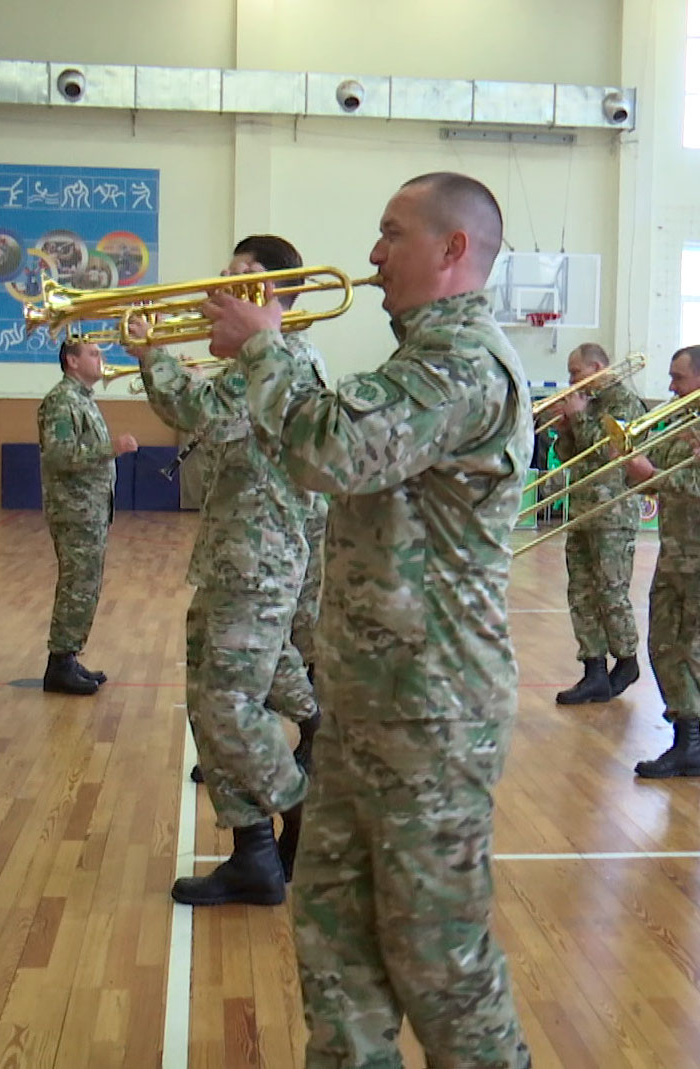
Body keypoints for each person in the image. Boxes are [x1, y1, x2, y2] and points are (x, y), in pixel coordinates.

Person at [201, 172, 531, 1067]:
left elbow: (332, 450)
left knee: (439, 960)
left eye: (392, 233)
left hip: (432, 710)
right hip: (373, 700)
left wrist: (267, 348)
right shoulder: (414, 360)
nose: (374, 253)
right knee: (336, 942)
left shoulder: (460, 363)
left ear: (453, 249)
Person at [135, 234, 328, 908]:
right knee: (208, 704)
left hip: (260, 558)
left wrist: (150, 354)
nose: (225, 278)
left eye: (246, 273)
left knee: (229, 706)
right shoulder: (248, 362)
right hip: (230, 553)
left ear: (282, 291)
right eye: (228, 268)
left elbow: (207, 419)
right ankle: (251, 852)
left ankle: (305, 814)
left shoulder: (287, 358)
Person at [624, 346, 700, 778]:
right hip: (676, 551)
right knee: (663, 645)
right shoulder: (679, 425)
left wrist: (651, 475)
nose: (672, 387)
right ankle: (687, 737)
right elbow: (654, 482)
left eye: (679, 378)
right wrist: (631, 467)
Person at [547, 342, 646, 704]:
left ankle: (626, 659)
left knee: (611, 592)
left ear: (598, 366)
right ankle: (593, 668)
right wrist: (566, 428)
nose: (571, 380)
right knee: (581, 592)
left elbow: (608, 454)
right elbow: (570, 457)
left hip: (614, 514)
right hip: (584, 510)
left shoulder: (624, 404)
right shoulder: (587, 404)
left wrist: (580, 418)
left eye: (576, 372)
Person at [37, 338, 137, 694]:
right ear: (72, 361)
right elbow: (59, 455)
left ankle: (68, 656)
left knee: (86, 586)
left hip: (90, 510)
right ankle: (59, 663)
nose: (101, 359)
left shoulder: (82, 400)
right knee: (76, 586)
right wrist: (111, 447)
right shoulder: (62, 401)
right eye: (93, 354)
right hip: (74, 510)